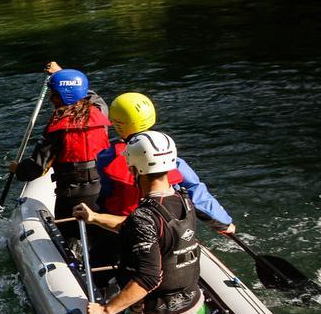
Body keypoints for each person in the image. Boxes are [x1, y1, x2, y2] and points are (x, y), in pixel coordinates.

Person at [75, 130, 208, 314]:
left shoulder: (144, 216)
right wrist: (94, 217)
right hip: (194, 309)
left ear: (134, 170)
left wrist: (106, 310)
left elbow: (148, 278)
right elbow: (133, 228)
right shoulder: (185, 201)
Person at [98, 92, 236, 233]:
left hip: (118, 226)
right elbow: (193, 189)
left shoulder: (107, 156)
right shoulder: (163, 150)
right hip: (160, 222)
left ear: (117, 123)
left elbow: (101, 192)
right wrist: (223, 223)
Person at [11, 62, 111, 238]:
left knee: (70, 239)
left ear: (64, 97)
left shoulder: (58, 129)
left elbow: (36, 168)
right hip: (100, 192)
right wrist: (61, 73)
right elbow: (93, 96)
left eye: (54, 95)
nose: (51, 99)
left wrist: (17, 169)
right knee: (96, 237)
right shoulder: (100, 112)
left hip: (70, 197)